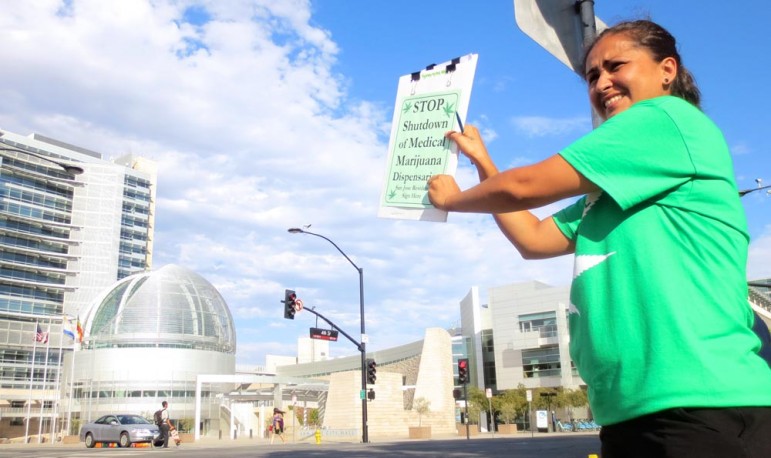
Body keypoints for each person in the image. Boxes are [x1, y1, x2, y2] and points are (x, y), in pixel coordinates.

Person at [428, 19, 771, 457]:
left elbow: (525, 186)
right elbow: (533, 238)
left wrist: (453, 200)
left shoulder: (666, 118)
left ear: (667, 70)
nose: (602, 82)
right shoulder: (608, 191)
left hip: (701, 400)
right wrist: (483, 163)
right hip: (633, 409)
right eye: (592, 75)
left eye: (615, 66)